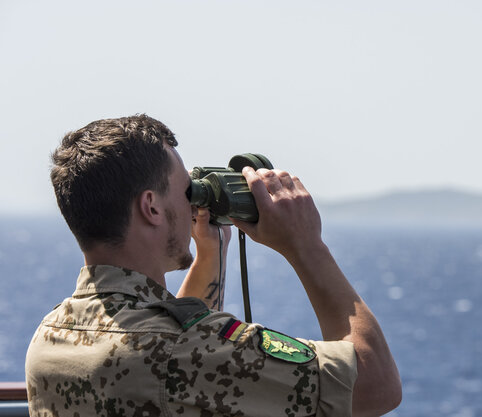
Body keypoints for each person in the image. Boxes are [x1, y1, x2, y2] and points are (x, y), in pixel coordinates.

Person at [25, 114, 401, 416]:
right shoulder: (182, 351)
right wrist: (306, 245)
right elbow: (374, 386)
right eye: (187, 190)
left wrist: (212, 252)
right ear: (152, 207)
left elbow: (179, 356)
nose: (193, 203)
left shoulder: (50, 335)